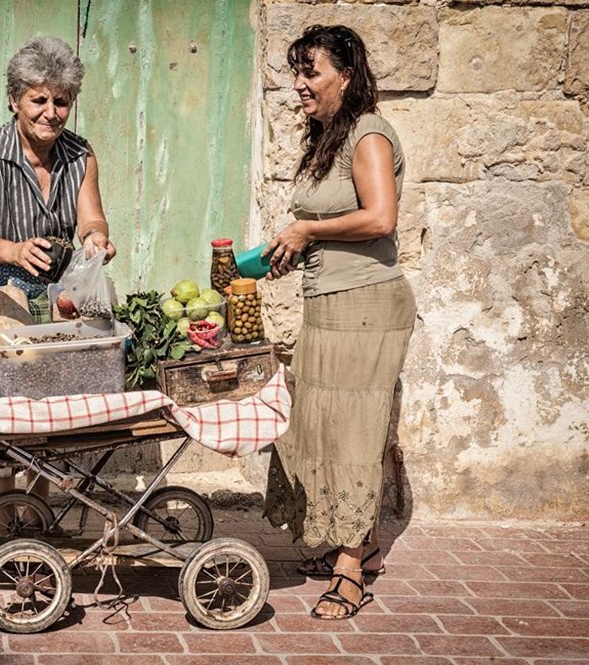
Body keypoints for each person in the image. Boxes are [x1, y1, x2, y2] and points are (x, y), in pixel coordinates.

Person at [261, 24, 416, 620]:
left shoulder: (369, 134)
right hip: (327, 303)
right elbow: (330, 223)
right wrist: (289, 250)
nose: (300, 85)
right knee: (322, 429)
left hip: (368, 307)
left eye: (311, 72)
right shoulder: (329, 137)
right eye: (297, 72)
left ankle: (352, 571)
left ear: (345, 76)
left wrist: (307, 230)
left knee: (354, 434)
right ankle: (361, 545)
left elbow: (379, 218)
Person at [0, 35, 116, 500]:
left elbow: (91, 216)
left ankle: (38, 497)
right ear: (14, 101)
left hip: (52, 295)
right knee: (1, 404)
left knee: (52, 400)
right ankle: (3, 498)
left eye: (61, 101)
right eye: (38, 99)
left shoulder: (80, 155)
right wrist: (13, 251)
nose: (50, 112)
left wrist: (96, 238)